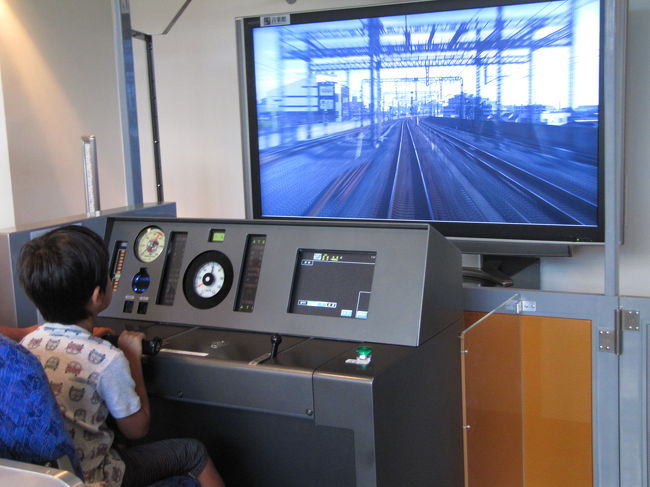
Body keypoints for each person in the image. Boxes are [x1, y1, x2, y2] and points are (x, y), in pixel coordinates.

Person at [17, 225, 225, 487]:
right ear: (97, 295)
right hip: (98, 476)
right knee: (193, 452)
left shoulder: (27, 344)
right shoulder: (107, 358)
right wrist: (131, 356)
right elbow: (137, 429)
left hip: (53, 477)